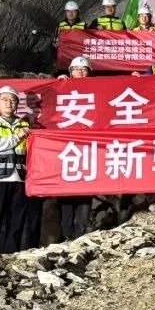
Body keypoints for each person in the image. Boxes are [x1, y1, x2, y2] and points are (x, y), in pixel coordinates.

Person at [0, 86, 31, 254]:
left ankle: (10, 255)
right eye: (5, 99)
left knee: (16, 221)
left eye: (13, 100)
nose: (9, 103)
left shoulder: (24, 124)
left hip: (20, 178)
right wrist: (17, 136)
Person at [55, 59, 94, 240]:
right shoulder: (63, 87)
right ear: (70, 72)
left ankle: (80, 233)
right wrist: (57, 84)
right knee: (66, 192)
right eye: (76, 69)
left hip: (87, 147)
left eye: (84, 69)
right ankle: (66, 234)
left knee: (85, 190)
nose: (80, 72)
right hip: (67, 147)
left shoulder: (98, 90)